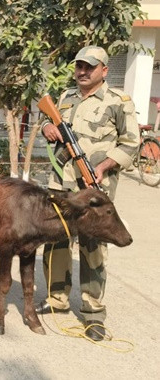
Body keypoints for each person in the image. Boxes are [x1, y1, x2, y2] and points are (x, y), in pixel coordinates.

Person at [36, 45, 140, 341]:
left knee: (93, 247)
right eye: (79, 66)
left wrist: (104, 166)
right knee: (55, 242)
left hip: (94, 190)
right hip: (62, 184)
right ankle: (56, 299)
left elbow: (131, 143)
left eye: (89, 67)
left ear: (104, 71)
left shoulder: (118, 101)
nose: (82, 71)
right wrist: (46, 127)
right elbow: (47, 122)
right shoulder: (66, 98)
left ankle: (94, 313)